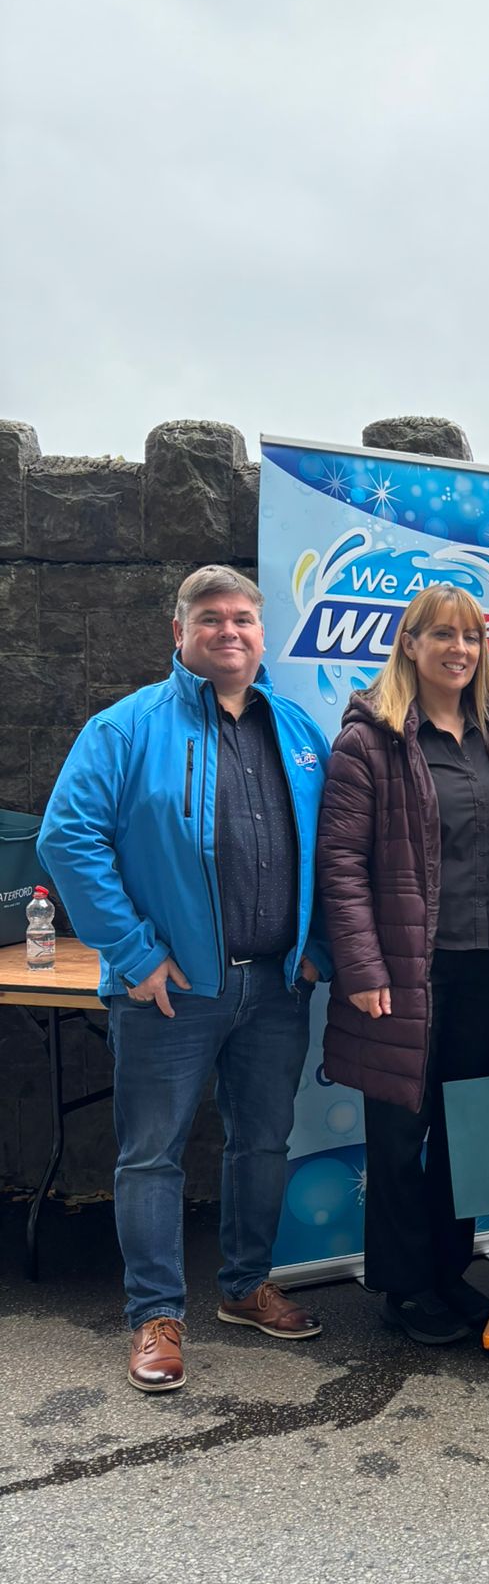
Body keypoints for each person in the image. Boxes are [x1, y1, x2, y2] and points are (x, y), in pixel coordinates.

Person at [38, 565, 330, 1393]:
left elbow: (335, 844)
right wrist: (135, 955)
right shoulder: (125, 728)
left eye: (243, 618)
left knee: (262, 1144)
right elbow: (68, 838)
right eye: (210, 618)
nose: (228, 631)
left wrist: (317, 949)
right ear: (179, 633)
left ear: (262, 635)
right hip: (169, 993)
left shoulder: (298, 730)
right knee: (151, 1157)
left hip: (275, 987)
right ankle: (155, 1316)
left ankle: (245, 1287)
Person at [317, 585, 489, 1346]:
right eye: (441, 635)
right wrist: (363, 968)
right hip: (404, 972)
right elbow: (340, 863)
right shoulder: (369, 741)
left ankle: (447, 1271)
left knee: (466, 1133)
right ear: (409, 644)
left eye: (471, 637)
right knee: (401, 1137)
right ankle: (404, 1289)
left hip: (484, 970)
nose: (459, 650)